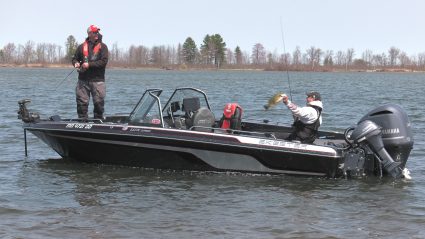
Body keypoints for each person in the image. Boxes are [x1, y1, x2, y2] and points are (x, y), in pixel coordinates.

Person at [72, 25, 109, 120]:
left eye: (97, 32)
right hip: (82, 81)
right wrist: (75, 63)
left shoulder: (103, 47)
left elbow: (103, 62)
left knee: (99, 105)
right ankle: (82, 124)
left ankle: (98, 125)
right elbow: (74, 58)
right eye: (94, 32)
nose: (97, 34)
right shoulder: (81, 47)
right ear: (89, 34)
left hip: (98, 81)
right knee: (81, 105)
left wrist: (89, 65)